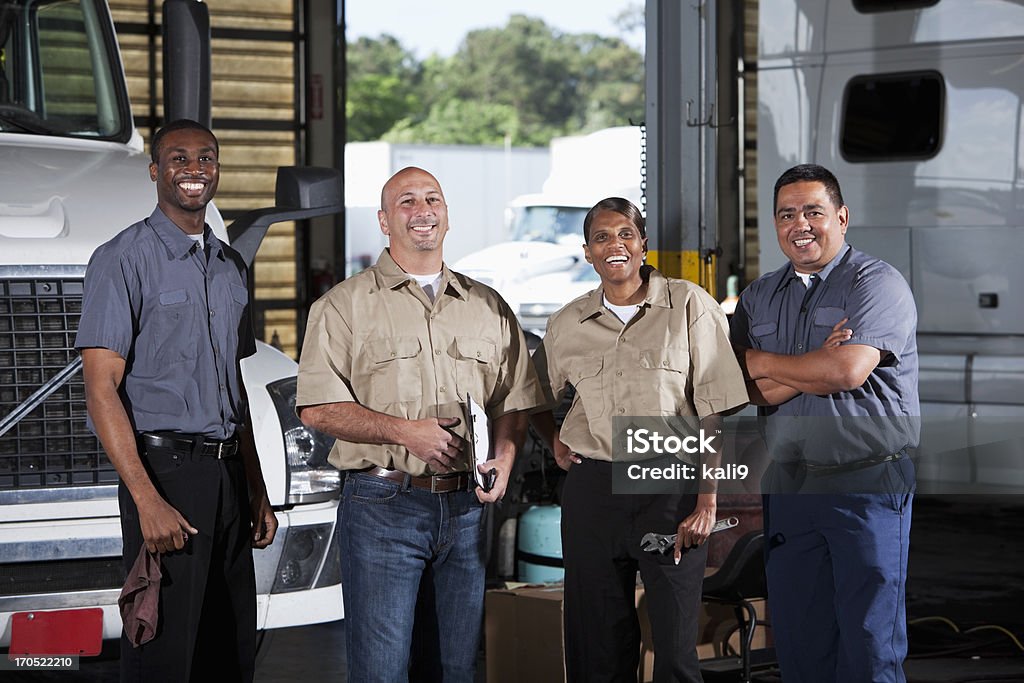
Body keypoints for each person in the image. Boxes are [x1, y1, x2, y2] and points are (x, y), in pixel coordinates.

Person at [295, 166, 544, 682]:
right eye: (407, 202)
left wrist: (505, 455)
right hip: (384, 506)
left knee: (454, 669)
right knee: (382, 671)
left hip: (467, 509)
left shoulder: (487, 306)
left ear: (447, 216)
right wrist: (405, 432)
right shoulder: (343, 307)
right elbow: (317, 408)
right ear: (385, 221)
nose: (422, 210)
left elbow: (515, 400)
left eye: (432, 199)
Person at [77, 118, 278, 682]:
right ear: (155, 171)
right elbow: (101, 389)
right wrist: (147, 500)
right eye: (179, 159)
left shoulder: (231, 266)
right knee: (165, 653)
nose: (194, 170)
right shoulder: (122, 258)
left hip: (229, 476)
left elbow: (235, 389)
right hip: (165, 474)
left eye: (206, 158)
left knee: (229, 648)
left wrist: (256, 490)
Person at [531, 197, 748, 683]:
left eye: (625, 234)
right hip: (594, 492)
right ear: (587, 252)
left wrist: (707, 500)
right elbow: (533, 396)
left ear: (643, 244)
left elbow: (712, 409)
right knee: (597, 646)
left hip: (668, 488)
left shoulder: (690, 305)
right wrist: (555, 443)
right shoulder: (567, 323)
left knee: (674, 650)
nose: (615, 245)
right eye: (602, 237)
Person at [729, 164, 919, 683]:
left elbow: (847, 370)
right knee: (799, 640)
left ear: (842, 216)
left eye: (814, 211)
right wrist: (811, 365)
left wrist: (767, 362)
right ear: (774, 223)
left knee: (868, 640)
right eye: (787, 214)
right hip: (790, 485)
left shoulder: (876, 284)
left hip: (865, 483)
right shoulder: (759, 296)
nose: (801, 224)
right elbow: (734, 386)